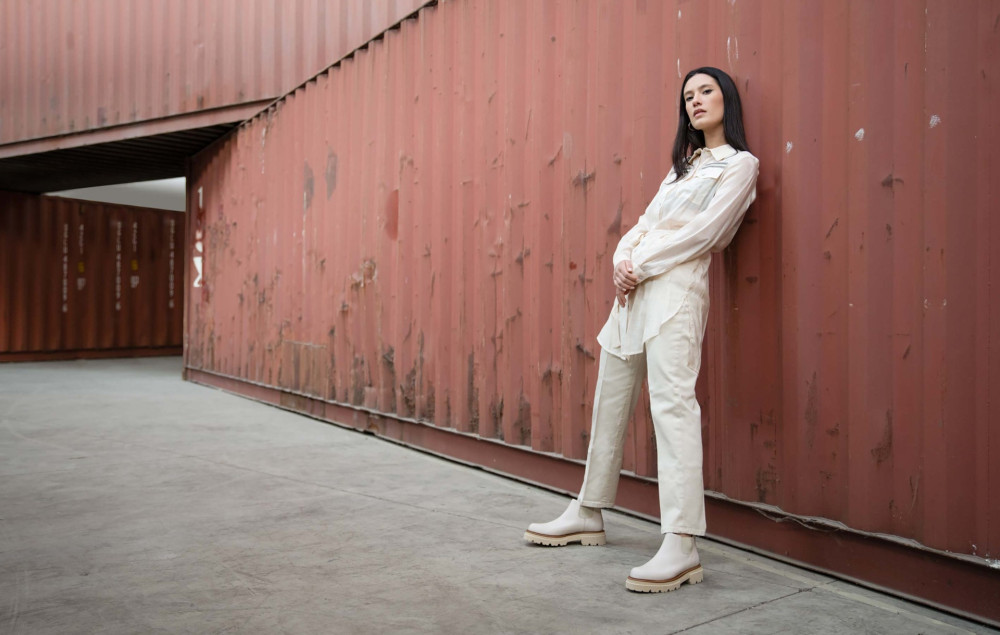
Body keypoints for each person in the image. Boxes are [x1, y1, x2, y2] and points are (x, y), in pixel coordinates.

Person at [524, 67, 759, 593]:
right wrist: (620, 259)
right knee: (610, 398)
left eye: (706, 92)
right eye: (688, 96)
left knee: (672, 406)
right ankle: (588, 509)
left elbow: (708, 233)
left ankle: (681, 541)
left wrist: (642, 261)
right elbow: (643, 223)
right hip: (632, 294)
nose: (696, 102)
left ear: (727, 100)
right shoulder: (682, 170)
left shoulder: (739, 166)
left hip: (676, 293)